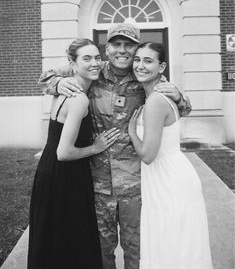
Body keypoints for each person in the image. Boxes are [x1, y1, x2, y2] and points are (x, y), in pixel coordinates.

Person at [38, 23, 192, 269]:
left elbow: (182, 109)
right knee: (100, 252)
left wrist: (178, 94)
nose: (122, 50)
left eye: (129, 45)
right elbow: (45, 77)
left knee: (138, 251)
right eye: (116, 44)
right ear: (107, 48)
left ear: (136, 48)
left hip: (136, 184)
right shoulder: (94, 69)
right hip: (97, 183)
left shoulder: (144, 73)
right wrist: (57, 84)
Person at [28, 38, 120, 269]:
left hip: (50, 172)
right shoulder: (78, 98)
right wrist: (95, 148)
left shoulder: (64, 89)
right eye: (86, 58)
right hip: (65, 175)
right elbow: (64, 152)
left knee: (55, 242)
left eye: (97, 57)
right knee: (71, 245)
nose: (95, 63)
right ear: (73, 64)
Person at [128, 42, 213, 269]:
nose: (140, 65)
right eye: (137, 59)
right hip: (168, 175)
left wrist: (131, 132)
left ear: (162, 66)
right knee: (178, 247)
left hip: (168, 180)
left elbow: (147, 155)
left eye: (148, 61)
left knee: (171, 247)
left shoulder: (156, 100)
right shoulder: (158, 95)